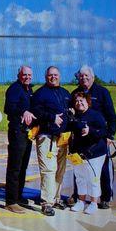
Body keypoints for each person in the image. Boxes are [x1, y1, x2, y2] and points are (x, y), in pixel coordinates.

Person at [69, 65, 116, 209]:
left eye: (86, 76)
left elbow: (111, 116)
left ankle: (105, 197)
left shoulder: (102, 92)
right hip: (80, 139)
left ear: (92, 77)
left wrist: (110, 135)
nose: (84, 78)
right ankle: (79, 197)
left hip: (99, 138)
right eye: (81, 76)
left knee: (102, 170)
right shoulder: (75, 93)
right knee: (80, 171)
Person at [30, 66, 71, 216]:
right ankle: (46, 202)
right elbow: (35, 112)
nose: (53, 77)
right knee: (48, 170)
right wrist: (52, 117)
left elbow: (72, 111)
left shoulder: (66, 93)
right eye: (50, 75)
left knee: (60, 170)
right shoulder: (40, 94)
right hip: (47, 137)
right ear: (46, 77)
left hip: (63, 138)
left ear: (59, 76)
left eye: (55, 75)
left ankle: (56, 197)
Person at [68, 92, 108, 214]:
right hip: (79, 153)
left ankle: (94, 203)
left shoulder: (96, 115)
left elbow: (103, 132)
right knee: (80, 178)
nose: (79, 103)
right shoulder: (75, 116)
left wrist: (90, 130)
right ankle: (81, 201)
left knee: (93, 178)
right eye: (77, 101)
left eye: (82, 101)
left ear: (88, 102)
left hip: (95, 153)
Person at [4, 66, 36, 214]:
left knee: (23, 166)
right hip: (17, 132)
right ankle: (10, 201)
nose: (27, 77)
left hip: (27, 133)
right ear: (19, 75)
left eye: (29, 75)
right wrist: (23, 111)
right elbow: (8, 108)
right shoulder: (15, 89)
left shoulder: (29, 89)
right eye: (24, 75)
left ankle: (18, 196)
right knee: (15, 167)